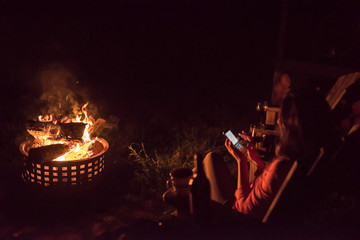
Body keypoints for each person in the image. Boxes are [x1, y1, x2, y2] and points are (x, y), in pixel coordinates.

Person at [203, 89, 333, 221]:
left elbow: (242, 211)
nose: (278, 122)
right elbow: (268, 187)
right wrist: (256, 160)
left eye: (281, 118)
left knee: (209, 160)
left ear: (291, 126)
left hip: (235, 219)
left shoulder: (280, 168)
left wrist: (241, 161)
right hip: (250, 205)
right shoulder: (304, 161)